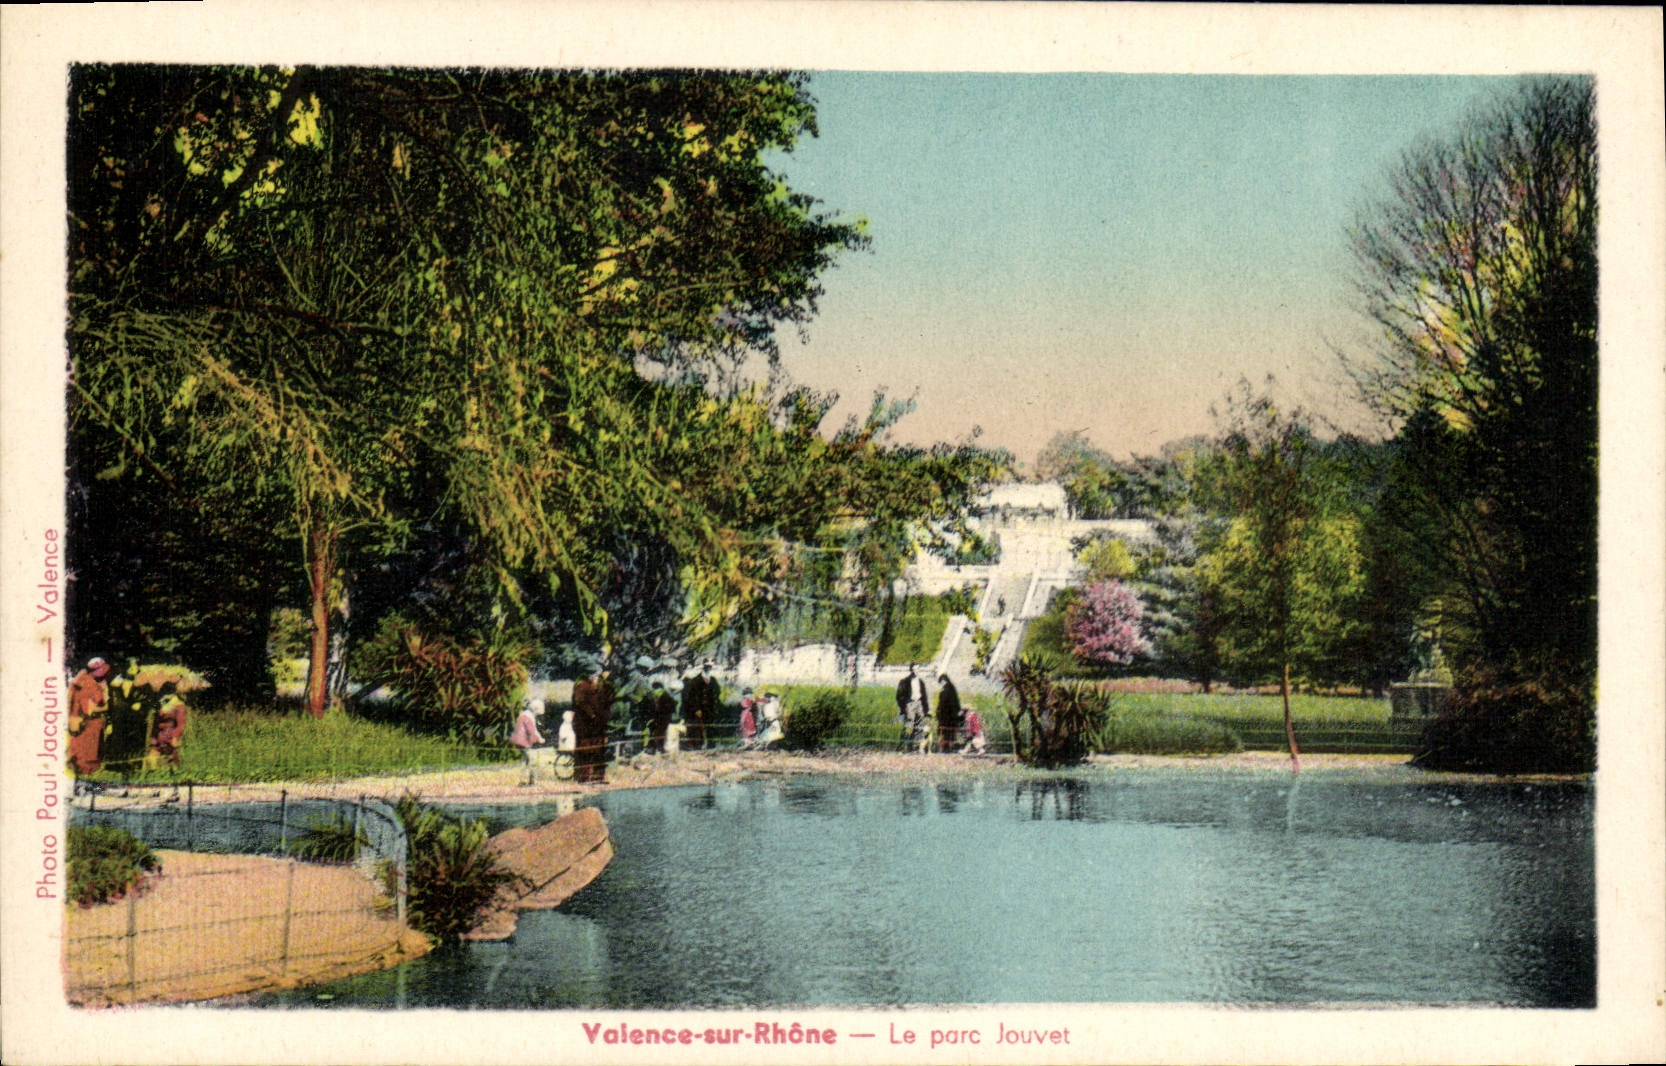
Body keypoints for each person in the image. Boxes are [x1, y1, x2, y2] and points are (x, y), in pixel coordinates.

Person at [67, 657, 112, 786]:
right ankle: (87, 788)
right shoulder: (91, 685)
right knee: (89, 758)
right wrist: (106, 699)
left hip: (77, 724)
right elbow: (92, 709)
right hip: (90, 726)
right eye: (103, 670)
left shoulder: (79, 681)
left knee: (78, 757)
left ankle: (78, 786)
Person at [571, 669, 614, 784]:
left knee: (599, 750)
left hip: (598, 726)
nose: (597, 678)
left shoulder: (602, 687)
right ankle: (584, 777)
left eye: (598, 676)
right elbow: (581, 702)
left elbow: (608, 700)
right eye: (595, 676)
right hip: (585, 726)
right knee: (585, 751)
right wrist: (593, 715)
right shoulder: (582, 686)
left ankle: (598, 777)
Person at [680, 659, 719, 751]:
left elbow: (717, 692)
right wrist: (696, 708)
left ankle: (711, 744)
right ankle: (699, 745)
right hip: (699, 708)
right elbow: (692, 696)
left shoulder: (713, 680)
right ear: (703, 667)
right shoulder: (696, 680)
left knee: (710, 726)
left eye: (710, 667)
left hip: (710, 708)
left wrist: (715, 705)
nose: (708, 668)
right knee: (698, 727)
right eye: (706, 666)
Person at [894, 663, 931, 753]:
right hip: (909, 704)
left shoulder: (921, 682)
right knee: (908, 726)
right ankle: (901, 748)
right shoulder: (904, 681)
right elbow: (899, 696)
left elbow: (924, 696)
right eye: (913, 669)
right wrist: (904, 707)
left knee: (919, 726)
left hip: (919, 704)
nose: (915, 671)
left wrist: (925, 709)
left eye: (917, 669)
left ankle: (915, 747)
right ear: (911, 670)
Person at [509, 697, 546, 785]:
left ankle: (523, 780)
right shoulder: (529, 717)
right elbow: (531, 731)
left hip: (519, 742)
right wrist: (539, 739)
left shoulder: (523, 715)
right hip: (525, 743)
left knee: (524, 762)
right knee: (532, 761)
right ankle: (532, 781)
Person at [642, 680, 676, 754]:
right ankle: (656, 748)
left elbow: (670, 708)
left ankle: (655, 748)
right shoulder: (658, 696)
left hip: (664, 718)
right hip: (658, 718)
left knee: (659, 733)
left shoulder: (665, 696)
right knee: (656, 732)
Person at [936, 674, 962, 753]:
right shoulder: (953, 689)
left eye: (941, 682)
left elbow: (942, 705)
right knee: (951, 733)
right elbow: (957, 703)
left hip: (946, 717)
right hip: (953, 716)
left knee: (945, 732)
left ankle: (945, 748)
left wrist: (938, 713)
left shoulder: (944, 691)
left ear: (943, 681)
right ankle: (950, 747)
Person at [555, 710, 577, 780]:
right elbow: (562, 736)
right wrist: (568, 736)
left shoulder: (568, 725)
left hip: (570, 744)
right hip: (567, 745)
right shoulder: (564, 726)